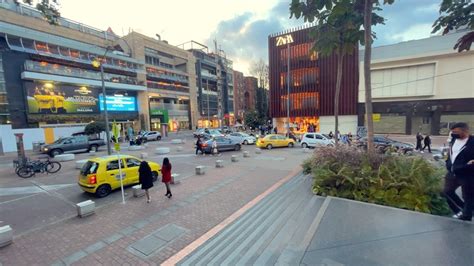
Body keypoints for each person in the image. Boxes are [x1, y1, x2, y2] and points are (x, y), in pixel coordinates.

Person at [444, 122, 474, 221]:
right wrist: (448, 162)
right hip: (453, 171)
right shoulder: (453, 140)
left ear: (465, 131)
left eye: (456, 132)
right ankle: (460, 210)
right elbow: (452, 153)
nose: (453, 134)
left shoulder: (472, 142)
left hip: (467, 172)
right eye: (452, 132)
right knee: (446, 192)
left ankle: (466, 215)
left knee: (468, 195)